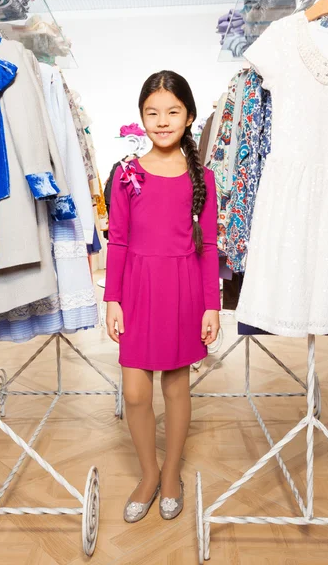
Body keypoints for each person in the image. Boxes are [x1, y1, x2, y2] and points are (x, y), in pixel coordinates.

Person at [104, 70, 220, 523]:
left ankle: (170, 473)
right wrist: (111, 299)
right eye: (152, 112)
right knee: (135, 392)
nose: (162, 120)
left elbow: (208, 246)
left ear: (189, 116)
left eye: (172, 111)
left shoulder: (203, 176)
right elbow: (117, 241)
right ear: (141, 119)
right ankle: (147, 474)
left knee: (175, 384)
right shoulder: (127, 174)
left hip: (183, 290)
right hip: (136, 288)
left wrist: (212, 304)